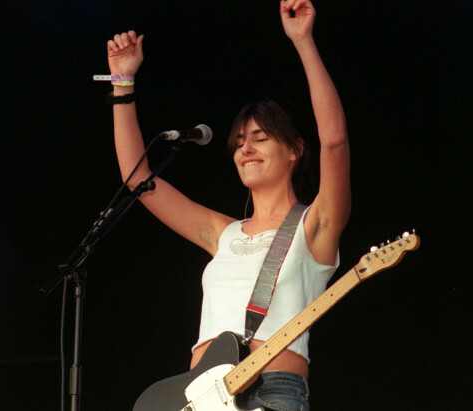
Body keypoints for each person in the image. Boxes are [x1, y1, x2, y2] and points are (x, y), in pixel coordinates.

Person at [106, 0, 350, 409]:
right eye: (239, 142)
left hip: (273, 391)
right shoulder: (224, 233)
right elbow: (138, 181)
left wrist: (303, 41)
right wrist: (122, 82)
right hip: (198, 397)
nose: (245, 149)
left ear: (294, 149)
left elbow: (335, 142)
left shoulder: (315, 225)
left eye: (259, 137)